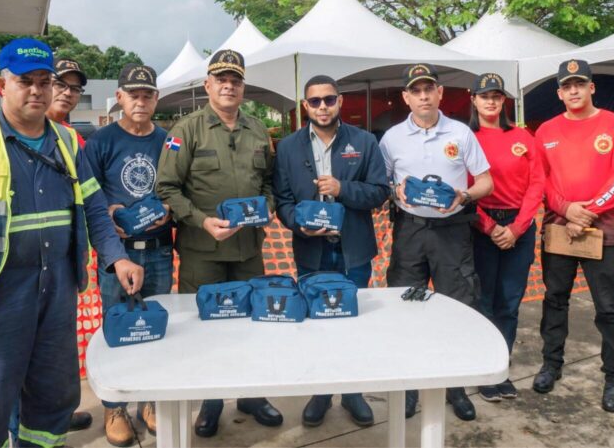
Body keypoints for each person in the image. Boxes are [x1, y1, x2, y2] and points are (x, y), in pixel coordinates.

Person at [0, 38, 144, 448]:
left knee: (54, 395)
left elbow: (95, 206)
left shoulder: (66, 141)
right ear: (0, 84)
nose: (37, 90)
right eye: (25, 81)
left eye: (45, 81)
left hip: (57, 289)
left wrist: (116, 259)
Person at [155, 49, 283, 438]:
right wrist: (200, 221)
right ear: (208, 85)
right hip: (202, 252)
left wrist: (268, 210)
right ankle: (209, 401)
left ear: (244, 87)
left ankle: (250, 395)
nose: (229, 85)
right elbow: (167, 188)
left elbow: (268, 184)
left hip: (248, 250)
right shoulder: (185, 130)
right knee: (204, 329)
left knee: (252, 323)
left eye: (236, 80)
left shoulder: (259, 130)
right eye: (221, 79)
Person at [273, 75, 389, 428]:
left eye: (329, 99)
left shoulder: (364, 141)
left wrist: (342, 189)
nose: (322, 106)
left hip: (353, 250)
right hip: (312, 252)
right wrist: (298, 224)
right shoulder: (288, 147)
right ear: (304, 106)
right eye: (315, 101)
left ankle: (353, 392)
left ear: (340, 102)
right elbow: (282, 201)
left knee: (351, 322)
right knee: (317, 323)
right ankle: (321, 391)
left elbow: (379, 191)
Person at [379, 64, 493, 422]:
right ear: (406, 98)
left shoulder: (460, 133)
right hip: (410, 232)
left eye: (429, 89)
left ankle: (455, 388)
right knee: (405, 307)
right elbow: (381, 183)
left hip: (452, 231)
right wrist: (393, 190)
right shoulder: (392, 138)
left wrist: (464, 195)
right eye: (416, 91)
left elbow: (486, 182)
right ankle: (410, 387)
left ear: (440, 93)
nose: (424, 96)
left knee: (457, 307)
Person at [532, 59, 614, 413]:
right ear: (559, 93)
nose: (573, 91)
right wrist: (566, 209)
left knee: (608, 307)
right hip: (559, 229)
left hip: (603, 232)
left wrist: (587, 211)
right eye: (567, 86)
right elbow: (540, 179)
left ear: (592, 87)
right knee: (555, 300)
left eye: (580, 83)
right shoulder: (545, 130)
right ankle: (551, 365)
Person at [85, 63, 174, 446]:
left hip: (158, 249)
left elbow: (178, 183)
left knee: (156, 329)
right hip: (117, 253)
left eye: (147, 94)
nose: (140, 101)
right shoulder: (101, 141)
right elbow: (88, 195)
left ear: (156, 99)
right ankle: (113, 406)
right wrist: (107, 213)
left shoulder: (170, 141)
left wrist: (171, 206)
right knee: (116, 328)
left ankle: (150, 401)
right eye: (133, 94)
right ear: (119, 97)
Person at [7, 59, 95, 439]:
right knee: (13, 365)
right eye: (58, 84)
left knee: (51, 361)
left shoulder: (69, 138)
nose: (66, 93)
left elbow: (88, 198)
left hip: (59, 273)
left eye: (74, 88)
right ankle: (17, 429)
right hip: (10, 279)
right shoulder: (9, 133)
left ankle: (51, 417)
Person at [468, 73, 545, 401]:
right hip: (480, 227)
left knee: (509, 303)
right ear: (474, 99)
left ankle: (502, 367)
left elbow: (537, 183)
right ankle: (483, 367)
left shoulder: (524, 136)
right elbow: (464, 187)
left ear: (504, 101)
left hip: (520, 228)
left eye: (497, 96)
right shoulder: (465, 137)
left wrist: (517, 228)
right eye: (484, 95)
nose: (490, 101)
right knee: (483, 301)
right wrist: (489, 227)